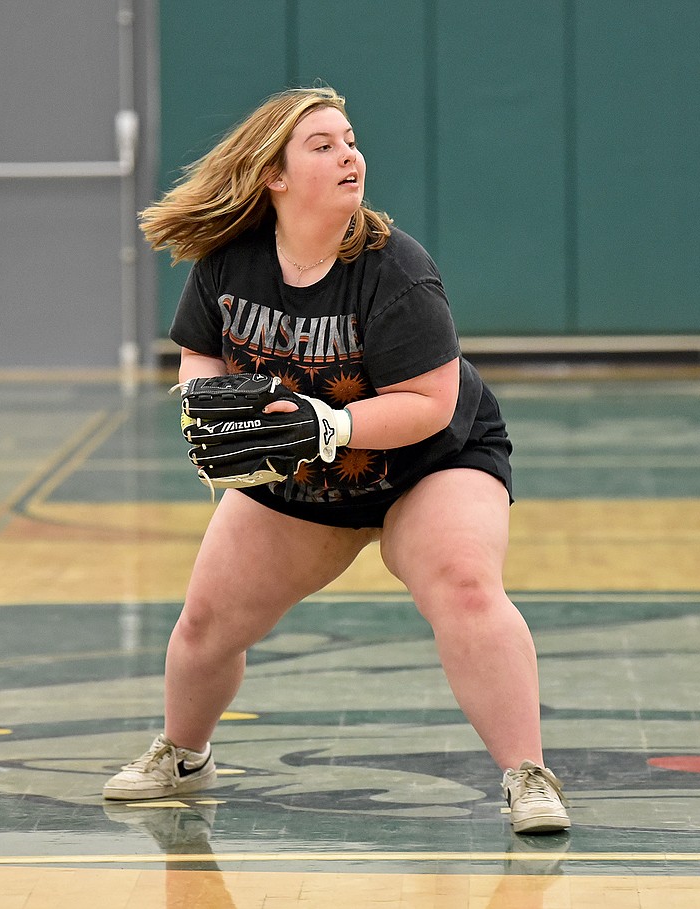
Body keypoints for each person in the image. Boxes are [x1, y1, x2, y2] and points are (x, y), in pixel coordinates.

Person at [102, 86, 569, 835]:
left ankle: (528, 775)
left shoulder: (396, 270)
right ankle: (184, 756)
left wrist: (329, 423)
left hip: (429, 463)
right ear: (274, 177)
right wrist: (208, 399)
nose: (349, 154)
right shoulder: (229, 263)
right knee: (205, 622)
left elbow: (431, 403)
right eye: (322, 144)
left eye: (349, 140)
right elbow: (199, 351)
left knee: (466, 586)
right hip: (304, 475)